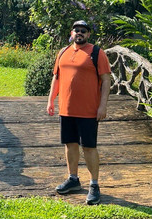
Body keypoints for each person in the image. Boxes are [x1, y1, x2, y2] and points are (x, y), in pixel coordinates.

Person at [47, 20, 111, 205]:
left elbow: (106, 80)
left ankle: (94, 184)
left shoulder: (97, 53)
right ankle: (73, 179)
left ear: (88, 34)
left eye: (83, 30)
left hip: (88, 111)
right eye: (77, 30)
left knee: (89, 147)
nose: (80, 33)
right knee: (70, 144)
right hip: (66, 109)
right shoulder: (63, 52)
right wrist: (51, 100)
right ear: (72, 33)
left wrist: (103, 106)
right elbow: (56, 78)